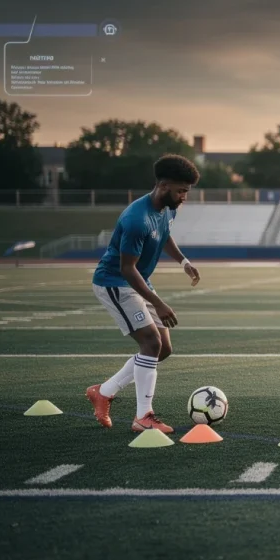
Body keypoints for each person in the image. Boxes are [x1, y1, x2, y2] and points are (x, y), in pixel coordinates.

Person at [86, 154, 201, 433]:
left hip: (138, 280)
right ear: (163, 186)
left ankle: (104, 391)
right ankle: (143, 417)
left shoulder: (168, 207)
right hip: (115, 281)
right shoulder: (137, 218)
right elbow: (127, 269)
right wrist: (158, 303)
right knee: (151, 343)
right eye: (181, 190)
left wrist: (183, 262)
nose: (185, 196)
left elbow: (164, 234)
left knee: (163, 348)